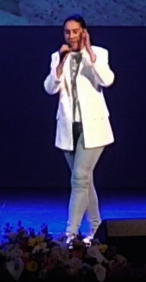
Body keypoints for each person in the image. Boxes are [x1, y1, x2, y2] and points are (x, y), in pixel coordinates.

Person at [43, 14, 115, 245]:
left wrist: (90, 56)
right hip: (68, 127)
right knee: (85, 181)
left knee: (79, 179)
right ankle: (95, 228)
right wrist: (62, 62)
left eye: (75, 31)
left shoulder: (99, 54)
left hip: (93, 127)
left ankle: (70, 234)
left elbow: (107, 80)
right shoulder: (57, 57)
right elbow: (49, 88)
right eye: (67, 32)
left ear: (84, 32)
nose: (71, 36)